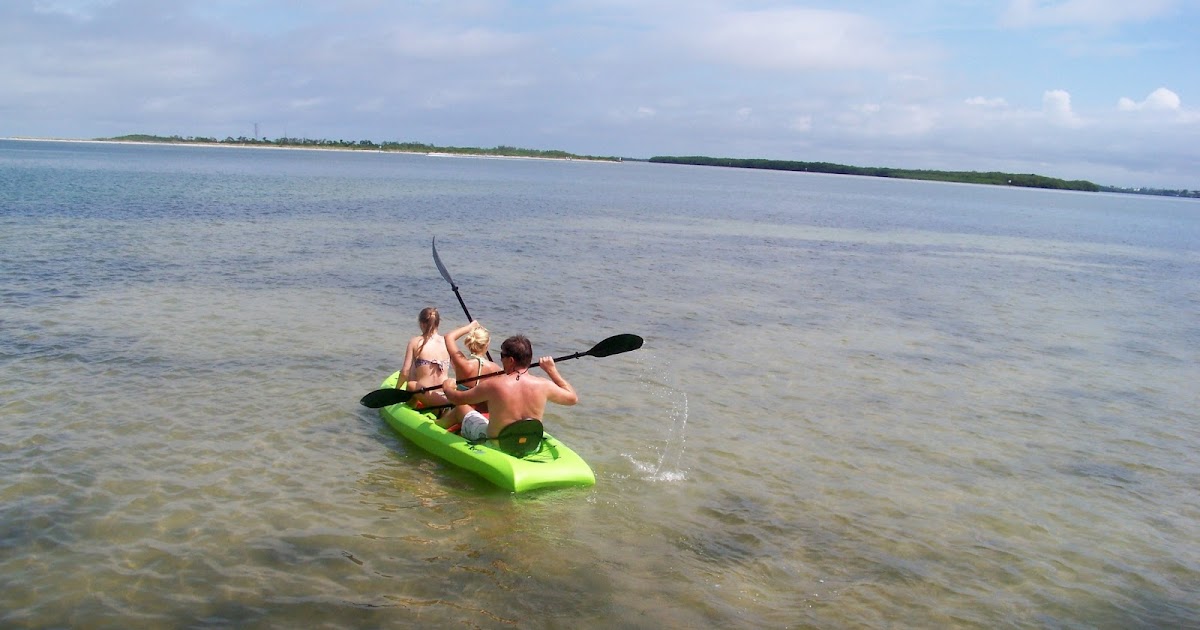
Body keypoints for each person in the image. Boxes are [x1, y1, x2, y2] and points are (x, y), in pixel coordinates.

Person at [440, 334, 577, 441]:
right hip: (529, 443)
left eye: (502, 356)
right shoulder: (544, 385)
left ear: (511, 360)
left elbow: (457, 399)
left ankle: (436, 427)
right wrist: (551, 370)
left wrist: (448, 387)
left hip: (496, 443)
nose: (501, 360)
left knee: (461, 409)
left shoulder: (494, 385)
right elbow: (572, 398)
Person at [399, 307, 452, 411]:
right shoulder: (447, 341)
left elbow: (405, 372)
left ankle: (409, 407)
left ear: (422, 324)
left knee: (411, 384)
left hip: (427, 395)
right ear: (438, 323)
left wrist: (396, 390)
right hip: (445, 394)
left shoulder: (415, 342)